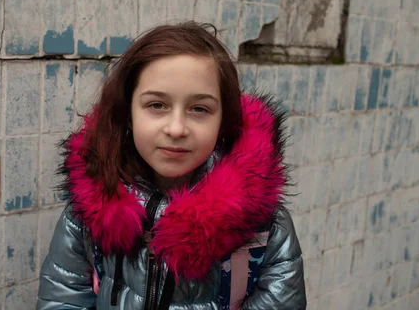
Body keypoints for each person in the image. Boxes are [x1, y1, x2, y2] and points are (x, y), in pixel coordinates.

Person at [37, 22, 306, 310]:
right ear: (128, 112)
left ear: (224, 120)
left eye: (199, 109)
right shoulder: (88, 210)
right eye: (156, 105)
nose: (177, 129)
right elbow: (63, 299)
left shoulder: (263, 224)